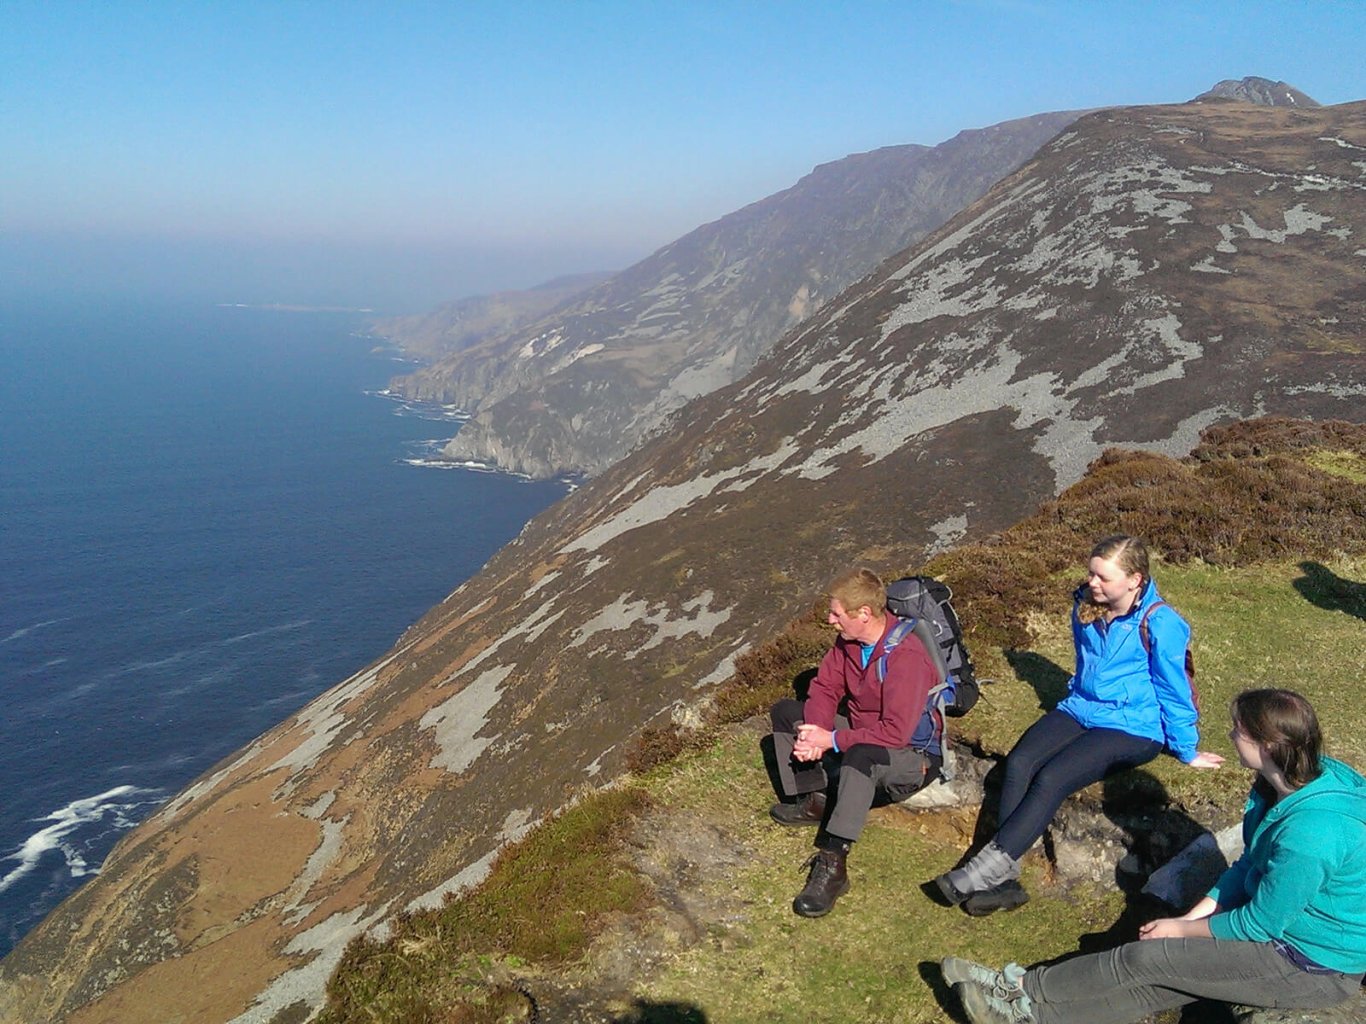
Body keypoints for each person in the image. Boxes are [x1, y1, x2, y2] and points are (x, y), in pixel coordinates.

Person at [941, 688, 1366, 1024]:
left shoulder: (1312, 836)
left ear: (1270, 745)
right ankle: (1023, 997)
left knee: (1145, 958)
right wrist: (1186, 921)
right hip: (1285, 937)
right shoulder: (1282, 782)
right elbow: (1248, 866)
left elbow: (1261, 923)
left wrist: (1180, 932)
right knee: (1160, 978)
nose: (1232, 734)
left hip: (1311, 965)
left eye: (1239, 730)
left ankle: (1024, 1001)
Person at [933, 534, 1223, 916]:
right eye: (1091, 573)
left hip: (1134, 726)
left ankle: (979, 871)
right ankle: (1004, 880)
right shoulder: (1086, 604)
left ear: (1135, 580)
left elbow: (1174, 689)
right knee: (1020, 762)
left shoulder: (1162, 623)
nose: (1092, 583)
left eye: (1103, 577)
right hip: (1080, 707)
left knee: (1053, 777)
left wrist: (1186, 749)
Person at [768, 567, 941, 917]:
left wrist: (831, 739)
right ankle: (815, 801)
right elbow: (826, 687)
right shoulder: (848, 643)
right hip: (866, 730)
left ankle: (833, 865)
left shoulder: (906, 657)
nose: (830, 620)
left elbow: (895, 733)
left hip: (910, 756)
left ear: (864, 613)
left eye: (836, 613)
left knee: (859, 755)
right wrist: (813, 733)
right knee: (788, 713)